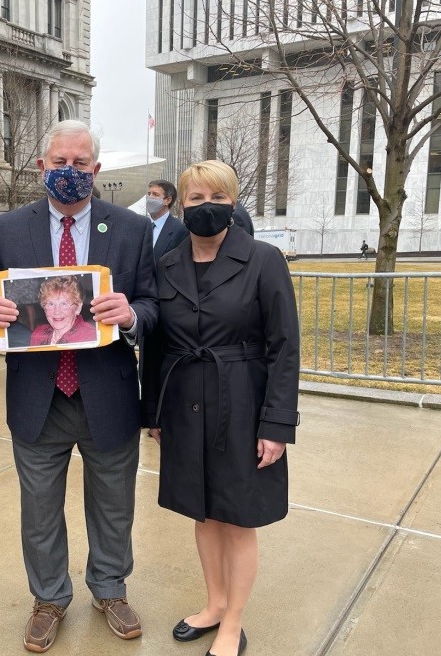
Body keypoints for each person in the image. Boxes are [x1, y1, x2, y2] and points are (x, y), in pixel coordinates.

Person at [0, 119, 158, 652]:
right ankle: (49, 598)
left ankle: (110, 588)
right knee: (39, 511)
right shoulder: (10, 228)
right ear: (42, 166)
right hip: (39, 398)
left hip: (108, 395)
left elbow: (153, 303)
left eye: (80, 163)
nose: (69, 171)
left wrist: (132, 315)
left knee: (114, 505)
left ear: (96, 169)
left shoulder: (131, 229)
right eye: (60, 162)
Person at [141, 160, 300, 656]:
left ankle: (233, 622)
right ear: (181, 205)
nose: (205, 206)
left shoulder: (264, 259)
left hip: (242, 403)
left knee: (236, 517)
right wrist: (154, 413)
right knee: (203, 513)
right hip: (185, 404)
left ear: (232, 203)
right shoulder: (167, 264)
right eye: (195, 198)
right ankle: (213, 604)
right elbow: (156, 346)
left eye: (217, 197)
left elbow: (284, 347)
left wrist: (276, 424)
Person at [29, 276, 98, 346]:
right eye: (51, 304)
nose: (57, 312)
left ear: (78, 308)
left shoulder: (90, 337)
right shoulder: (38, 334)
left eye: (64, 304)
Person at [146, 180, 188, 264]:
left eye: (155, 194)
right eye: (149, 194)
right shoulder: (140, 225)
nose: (150, 198)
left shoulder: (180, 230)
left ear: (168, 200)